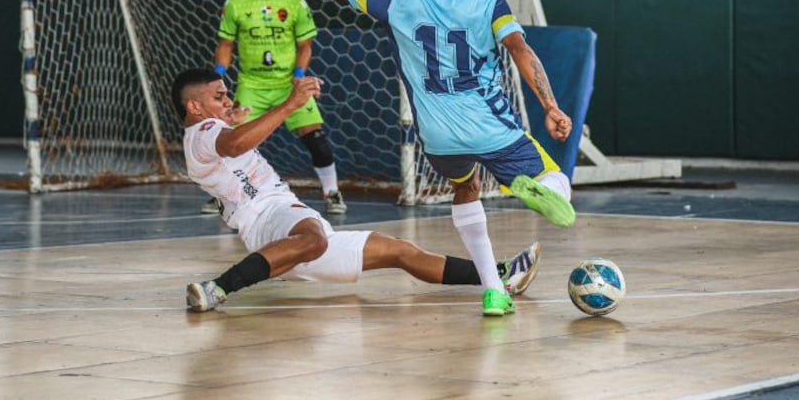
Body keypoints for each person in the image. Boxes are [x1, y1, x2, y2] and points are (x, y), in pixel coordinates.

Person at [258, 0, 577, 317]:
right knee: (557, 177)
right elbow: (520, 51)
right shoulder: (488, 1)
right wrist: (550, 106)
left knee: (466, 189)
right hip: (490, 126)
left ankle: (494, 292)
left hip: (438, 137)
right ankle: (541, 190)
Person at [171, 67, 541, 313]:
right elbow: (232, 145)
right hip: (269, 220)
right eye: (219, 96)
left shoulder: (209, 132)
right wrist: (292, 103)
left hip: (278, 234)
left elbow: (232, 143)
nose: (228, 100)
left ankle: (497, 274)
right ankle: (217, 288)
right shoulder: (203, 133)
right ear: (194, 106)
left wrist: (232, 120)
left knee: (399, 250)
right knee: (313, 237)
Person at [204, 0, 346, 216]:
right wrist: (218, 79)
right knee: (233, 141)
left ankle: (332, 192)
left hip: (287, 84)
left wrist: (298, 77)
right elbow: (225, 44)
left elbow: (305, 46)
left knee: (316, 138)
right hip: (251, 85)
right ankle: (222, 194)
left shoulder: (295, 3)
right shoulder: (235, 3)